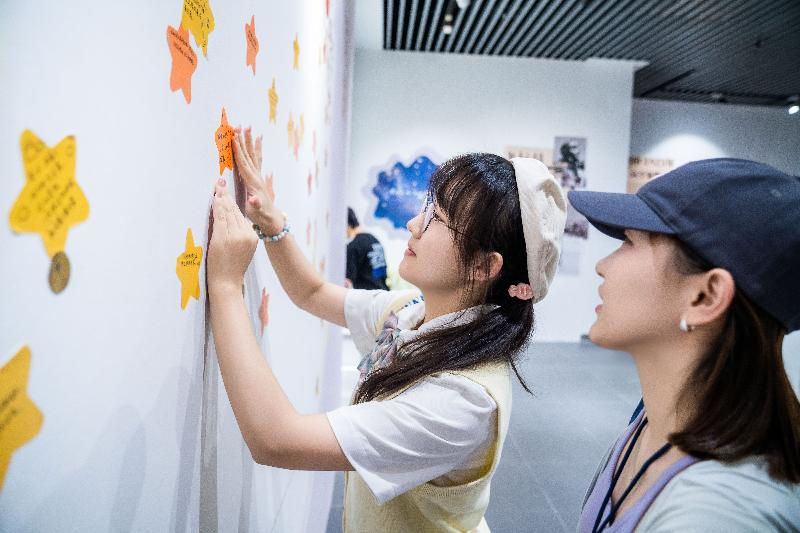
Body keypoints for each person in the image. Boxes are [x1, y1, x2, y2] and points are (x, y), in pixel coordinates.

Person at [206, 127, 567, 532]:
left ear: (484, 266)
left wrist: (225, 286)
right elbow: (312, 293)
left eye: (437, 219)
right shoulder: (412, 311)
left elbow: (276, 440)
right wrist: (271, 222)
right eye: (427, 208)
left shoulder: (461, 402)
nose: (414, 224)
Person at [568, 158, 800, 532]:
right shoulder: (653, 420)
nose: (603, 265)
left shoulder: (718, 516)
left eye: (630, 242)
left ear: (706, 296)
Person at [345, 207, 389, 290]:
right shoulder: (374, 240)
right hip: (383, 292)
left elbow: (347, 282)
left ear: (347, 225)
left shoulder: (353, 246)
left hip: (367, 295)